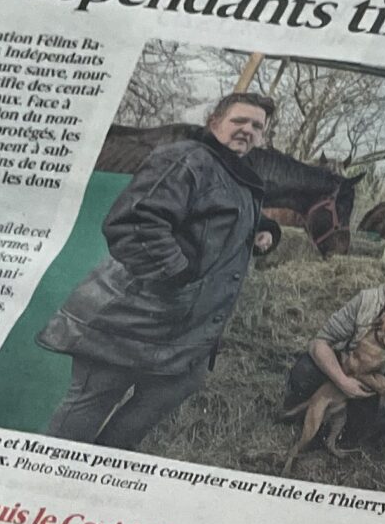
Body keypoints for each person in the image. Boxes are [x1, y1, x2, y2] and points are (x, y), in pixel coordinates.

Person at [40, 90, 277, 450]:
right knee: (92, 403)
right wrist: (178, 276)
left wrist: (264, 230)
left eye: (257, 126)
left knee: (177, 387)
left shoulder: (235, 174)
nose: (248, 130)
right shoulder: (186, 158)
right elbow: (135, 223)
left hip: (182, 327)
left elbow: (219, 216)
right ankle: (44, 472)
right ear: (214, 122)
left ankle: (93, 470)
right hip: (134, 317)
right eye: (239, 120)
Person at [279, 248, 385, 445]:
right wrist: (342, 381)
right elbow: (320, 342)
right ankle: (312, 417)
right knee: (305, 368)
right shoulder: (366, 299)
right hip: (352, 370)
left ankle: (352, 432)